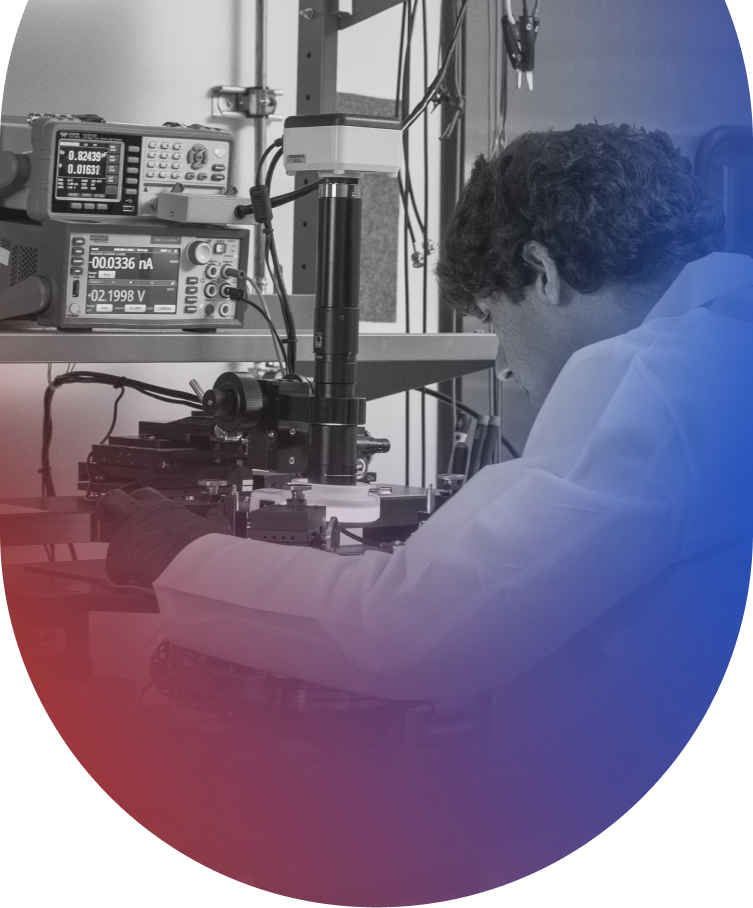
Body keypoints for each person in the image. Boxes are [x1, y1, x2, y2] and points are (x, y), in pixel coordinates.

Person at [102, 123, 753, 886]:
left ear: (540, 271)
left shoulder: (653, 377)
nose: (504, 366)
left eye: (491, 319)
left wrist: (179, 550)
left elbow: (415, 626)